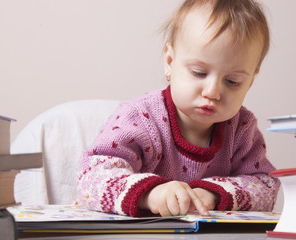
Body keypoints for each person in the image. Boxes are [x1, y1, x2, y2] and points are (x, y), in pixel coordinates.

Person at [76, 0, 280, 217]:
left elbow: (266, 186)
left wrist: (213, 193)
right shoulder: (139, 118)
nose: (212, 92)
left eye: (232, 81)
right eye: (199, 73)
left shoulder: (242, 129)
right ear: (170, 61)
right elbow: (91, 178)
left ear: (250, 82)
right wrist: (152, 193)